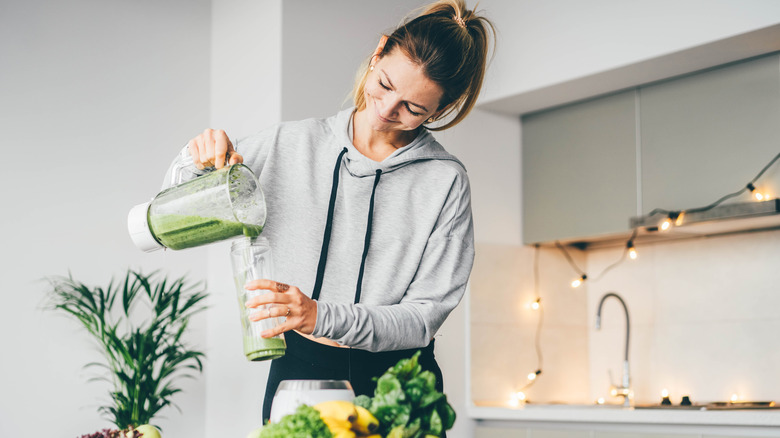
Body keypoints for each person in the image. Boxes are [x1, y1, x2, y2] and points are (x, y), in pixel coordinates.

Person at [169, 0, 495, 423]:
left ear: (441, 110)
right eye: (384, 83)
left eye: (414, 108)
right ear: (378, 52)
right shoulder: (289, 144)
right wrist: (196, 159)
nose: (386, 109)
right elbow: (173, 214)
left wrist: (318, 315)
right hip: (300, 373)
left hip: (399, 382)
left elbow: (421, 318)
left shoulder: (444, 182)